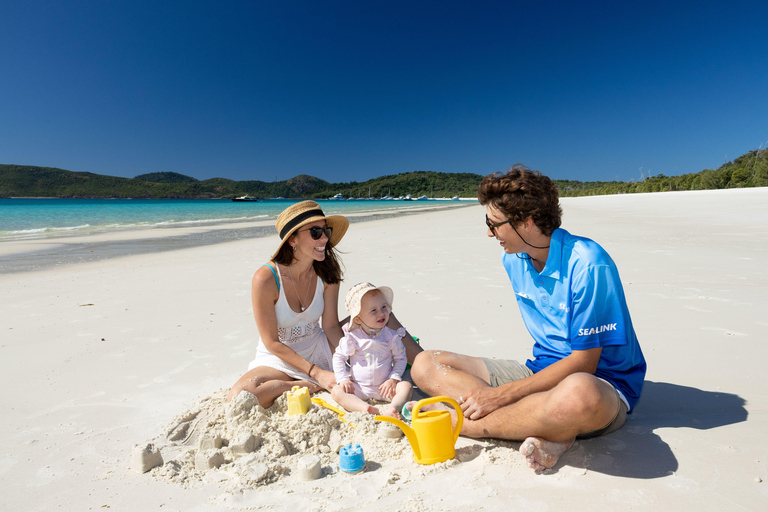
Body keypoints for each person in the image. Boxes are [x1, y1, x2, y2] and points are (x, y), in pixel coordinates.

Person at [410, 165, 647, 471]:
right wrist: (500, 396)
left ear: (526, 222)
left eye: (493, 224)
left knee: (578, 394)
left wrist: (498, 396)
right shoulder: (513, 258)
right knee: (425, 364)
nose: (489, 232)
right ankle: (550, 429)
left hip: (600, 384)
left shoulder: (589, 264)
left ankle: (465, 423)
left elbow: (584, 363)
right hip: (538, 373)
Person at [228, 200, 422, 408]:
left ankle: (425, 367)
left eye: (325, 231)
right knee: (239, 396)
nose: (324, 239)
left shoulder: (327, 270)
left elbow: (329, 326)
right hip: (280, 357)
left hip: (320, 346)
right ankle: (309, 385)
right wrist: (317, 374)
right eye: (315, 232)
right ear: (292, 239)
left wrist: (354, 354)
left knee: (381, 316)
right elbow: (272, 343)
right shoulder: (266, 279)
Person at [331, 282, 413, 418]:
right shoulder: (353, 338)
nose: (381, 313)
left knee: (406, 387)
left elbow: (400, 358)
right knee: (337, 390)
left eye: (383, 307)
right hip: (359, 387)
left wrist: (393, 378)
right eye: (373, 310)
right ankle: (365, 408)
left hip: (385, 388)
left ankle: (392, 409)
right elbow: (339, 357)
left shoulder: (391, 336)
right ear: (358, 318)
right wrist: (343, 379)